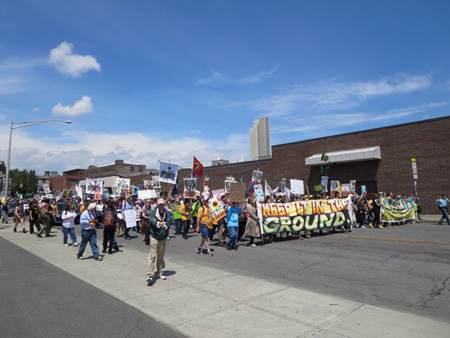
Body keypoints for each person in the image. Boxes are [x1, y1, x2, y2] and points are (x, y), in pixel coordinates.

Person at [146, 198, 172, 284]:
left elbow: (168, 222)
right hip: (154, 236)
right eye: (159, 204)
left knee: (161, 255)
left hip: (163, 237)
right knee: (152, 255)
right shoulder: (154, 212)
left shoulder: (167, 213)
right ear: (157, 204)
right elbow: (152, 221)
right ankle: (150, 274)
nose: (161, 206)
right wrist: (159, 223)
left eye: (162, 204)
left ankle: (160, 272)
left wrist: (163, 225)